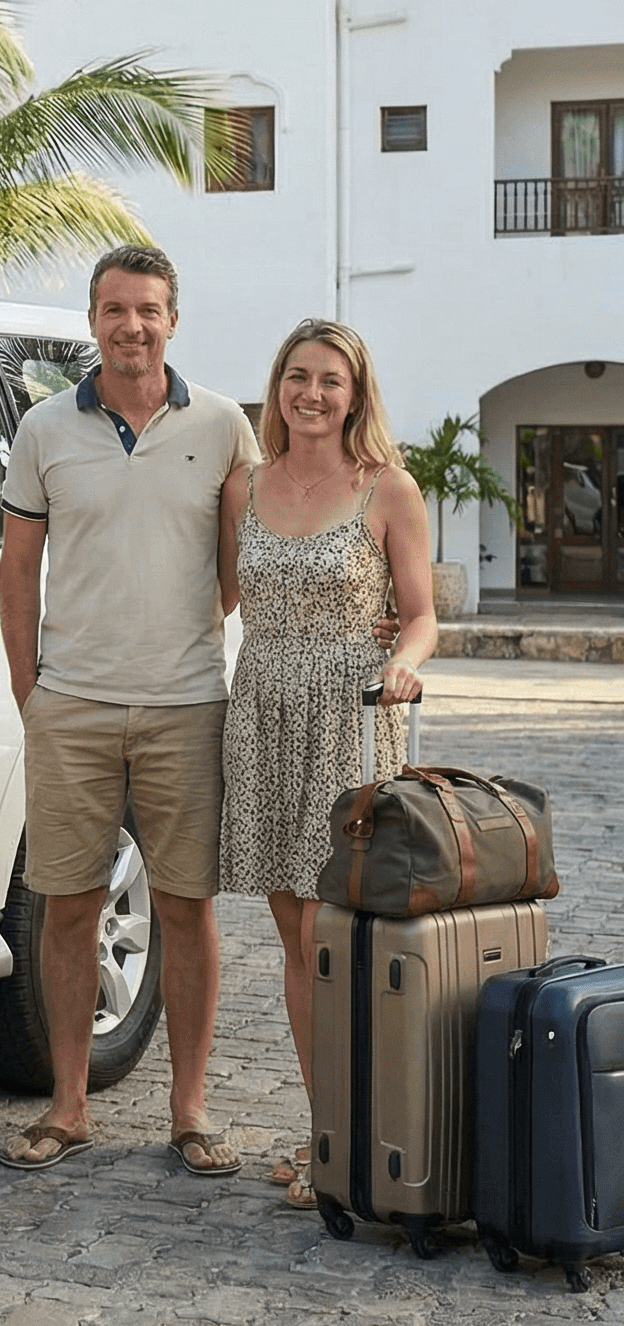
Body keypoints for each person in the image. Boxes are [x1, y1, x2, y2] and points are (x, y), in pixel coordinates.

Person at [0, 245, 259, 1174]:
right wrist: (32, 693)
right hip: (70, 706)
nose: (131, 327)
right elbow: (18, 572)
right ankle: (69, 1106)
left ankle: (190, 1111)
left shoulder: (225, 428)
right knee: (64, 908)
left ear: (173, 320)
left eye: (148, 310)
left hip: (188, 705)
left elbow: (238, 572)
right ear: (93, 319)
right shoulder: (43, 431)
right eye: (114, 309)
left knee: (187, 908)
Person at [217, 320, 436, 1208]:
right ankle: (328, 1135)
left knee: (332, 938)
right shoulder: (242, 486)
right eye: (297, 377)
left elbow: (420, 612)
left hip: (353, 716)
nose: (312, 393)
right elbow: (219, 595)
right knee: (295, 943)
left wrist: (404, 658)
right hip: (262, 709)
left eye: (331, 381)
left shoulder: (388, 489)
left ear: (356, 394)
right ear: (276, 387)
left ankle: (364, 1133)